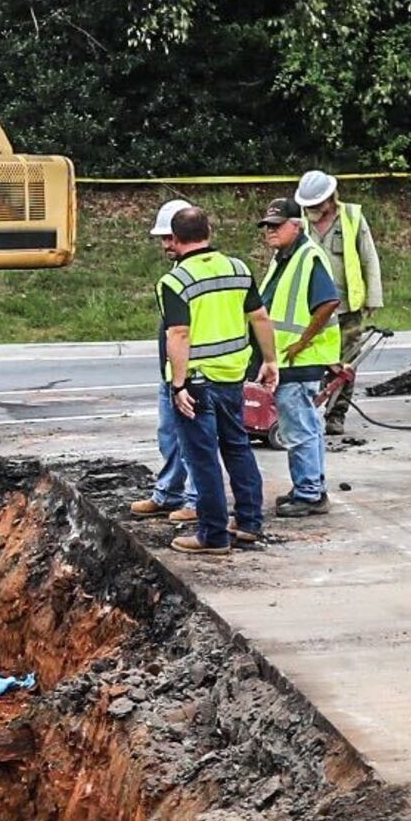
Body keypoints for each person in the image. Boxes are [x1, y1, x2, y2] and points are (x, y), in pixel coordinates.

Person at [157, 202, 276, 557]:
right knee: (237, 446)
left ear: (176, 240)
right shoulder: (237, 268)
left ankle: (213, 535)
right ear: (209, 233)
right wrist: (270, 360)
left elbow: (178, 334)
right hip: (232, 377)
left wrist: (179, 385)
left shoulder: (175, 280)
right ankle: (249, 523)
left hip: (195, 381)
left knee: (202, 457)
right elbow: (259, 317)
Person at [257, 197, 346, 512]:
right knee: (304, 427)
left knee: (298, 430)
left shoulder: (308, 256)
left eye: (276, 226)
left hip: (299, 360)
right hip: (288, 359)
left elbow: (328, 301)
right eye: (267, 226)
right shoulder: (284, 257)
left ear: (296, 226)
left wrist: (301, 343)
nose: (270, 231)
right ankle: (309, 489)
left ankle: (309, 494)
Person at [293, 170, 379, 437]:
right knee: (314, 362)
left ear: (330, 200)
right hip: (313, 308)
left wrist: (373, 296)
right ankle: (308, 412)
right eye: (307, 207)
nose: (311, 211)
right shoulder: (299, 223)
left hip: (347, 308)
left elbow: (369, 257)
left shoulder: (352, 217)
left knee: (345, 364)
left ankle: (336, 415)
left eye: (316, 206)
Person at [128, 200, 199, 523]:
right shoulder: (176, 272)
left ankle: (196, 501)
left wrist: (182, 379)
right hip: (171, 373)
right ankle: (169, 492)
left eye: (169, 237)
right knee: (169, 435)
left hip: (193, 374)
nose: (165, 245)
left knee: (195, 441)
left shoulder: (195, 274)